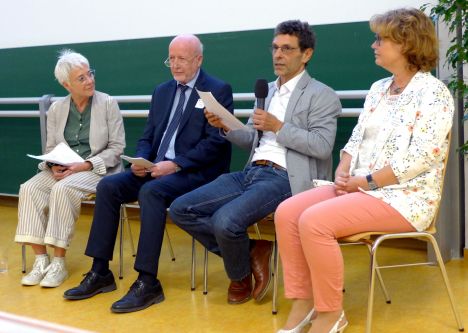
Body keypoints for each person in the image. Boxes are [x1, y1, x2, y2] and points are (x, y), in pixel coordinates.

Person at [274, 8, 454, 333]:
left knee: (315, 221)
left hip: (404, 198)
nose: (374, 45)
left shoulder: (434, 93)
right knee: (287, 212)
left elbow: (421, 157)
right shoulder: (378, 88)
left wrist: (366, 182)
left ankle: (330, 313)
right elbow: (356, 138)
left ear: (406, 43)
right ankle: (304, 299)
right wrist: (344, 169)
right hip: (360, 187)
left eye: (380, 39)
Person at [170, 20, 341, 305]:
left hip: (285, 178)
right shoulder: (267, 90)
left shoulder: (322, 95)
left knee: (226, 221)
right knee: (180, 209)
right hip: (251, 172)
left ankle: (238, 276)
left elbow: (322, 147)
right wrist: (224, 125)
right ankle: (252, 251)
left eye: (287, 49)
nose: (278, 55)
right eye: (275, 48)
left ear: (306, 54)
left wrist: (278, 126)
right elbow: (251, 139)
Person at [63, 34, 233, 313]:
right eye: (171, 59)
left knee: (151, 192)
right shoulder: (162, 91)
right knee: (108, 187)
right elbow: (149, 136)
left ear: (198, 60)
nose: (175, 65)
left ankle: (147, 281)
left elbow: (215, 144)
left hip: (195, 172)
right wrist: (140, 160)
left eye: (182, 59)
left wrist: (176, 164)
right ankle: (100, 271)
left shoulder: (217, 90)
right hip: (155, 167)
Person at [15, 50, 126, 288]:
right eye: (82, 78)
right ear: (67, 85)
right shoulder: (56, 109)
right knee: (29, 188)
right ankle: (41, 260)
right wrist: (53, 164)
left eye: (90, 74)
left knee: (62, 190)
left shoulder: (107, 103)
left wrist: (84, 165)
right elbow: (51, 146)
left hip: (97, 170)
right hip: (64, 169)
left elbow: (117, 148)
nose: (90, 81)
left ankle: (58, 263)